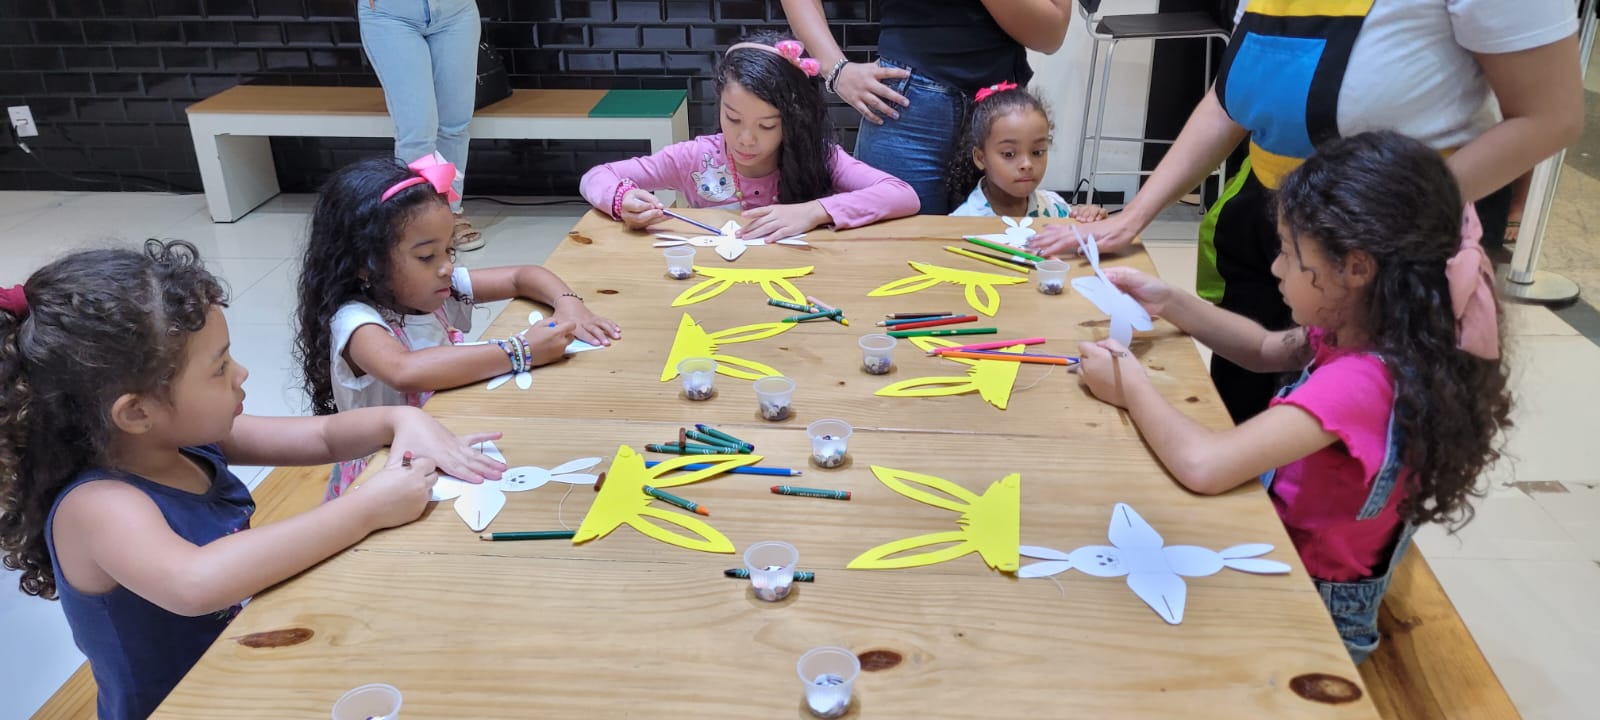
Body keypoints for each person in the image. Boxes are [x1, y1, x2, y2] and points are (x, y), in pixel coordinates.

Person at [0, 240, 506, 719]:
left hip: (249, 664)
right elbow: (197, 583)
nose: (242, 374)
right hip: (188, 705)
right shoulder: (98, 505)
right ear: (135, 412)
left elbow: (326, 438)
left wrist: (402, 421)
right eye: (219, 368)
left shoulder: (182, 440)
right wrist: (367, 507)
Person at [1071, 132, 1512, 664]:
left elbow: (1204, 464)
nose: (1276, 268)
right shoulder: (1372, 325)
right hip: (1281, 552)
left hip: (1314, 611)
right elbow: (1261, 348)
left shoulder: (1363, 382)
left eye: (1287, 252)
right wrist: (1172, 302)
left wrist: (1127, 381)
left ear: (1354, 268)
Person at [1031, 0, 1582, 422]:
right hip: (1291, 224)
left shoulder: (1366, 289)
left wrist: (1371, 223)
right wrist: (1135, 216)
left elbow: (1549, 115)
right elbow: (1233, 95)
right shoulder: (1287, 258)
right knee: (1242, 404)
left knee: (1332, 450)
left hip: (1391, 239)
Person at [294, 156, 620, 498]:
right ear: (366, 264)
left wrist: (568, 302)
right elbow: (405, 371)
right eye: (426, 257)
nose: (447, 267)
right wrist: (521, 351)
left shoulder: (433, 289)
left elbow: (522, 275)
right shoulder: (357, 320)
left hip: (445, 438)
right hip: (384, 475)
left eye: (449, 250)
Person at [580, 32, 920, 243]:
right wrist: (621, 199)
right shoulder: (696, 158)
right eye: (732, 118)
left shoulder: (820, 156)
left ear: (792, 121)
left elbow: (903, 196)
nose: (746, 139)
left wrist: (813, 212)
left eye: (767, 126)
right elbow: (596, 176)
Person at [780, 0, 1072, 214]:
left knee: (1002, 271)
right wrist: (836, 70)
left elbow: (1051, 34)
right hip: (907, 106)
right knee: (890, 271)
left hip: (998, 116)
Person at [357, 0, 486, 250]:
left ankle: (450, 212)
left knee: (454, 125)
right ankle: (414, 220)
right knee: (417, 131)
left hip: (456, 12)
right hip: (391, 15)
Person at [947, 82, 1106, 221]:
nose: (1027, 164)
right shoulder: (964, 220)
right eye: (1009, 154)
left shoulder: (1055, 208)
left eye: (1037, 152)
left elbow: (1082, 242)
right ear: (981, 158)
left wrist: (1087, 218)